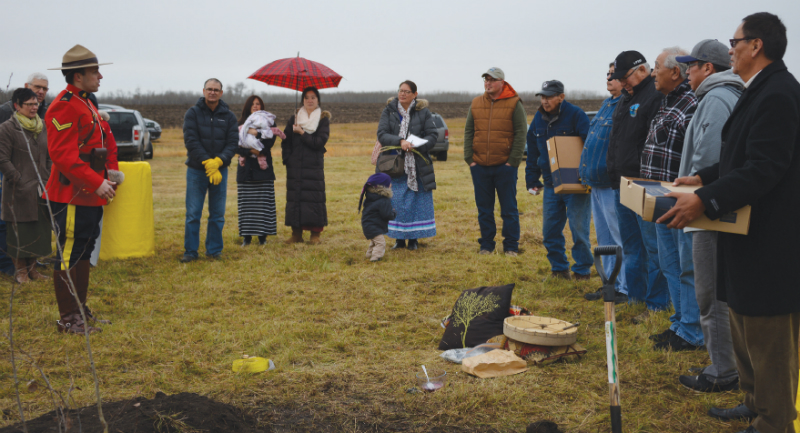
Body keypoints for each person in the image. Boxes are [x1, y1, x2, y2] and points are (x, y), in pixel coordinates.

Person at [661, 13, 800, 433]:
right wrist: (703, 178)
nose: (731, 48)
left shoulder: (778, 93)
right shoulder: (758, 91)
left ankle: (772, 422)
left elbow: (764, 168)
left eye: (734, 41)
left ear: (756, 45)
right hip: (745, 237)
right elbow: (741, 157)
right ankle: (754, 404)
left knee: (768, 338)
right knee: (743, 325)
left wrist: (704, 199)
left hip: (770, 241)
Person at [674, 39, 743, 392]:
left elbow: (708, 159)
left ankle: (722, 371)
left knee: (710, 292)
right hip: (719, 208)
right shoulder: (726, 96)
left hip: (709, 212)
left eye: (692, 66)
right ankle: (728, 362)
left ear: (709, 69)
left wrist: (694, 200)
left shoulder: (715, 100)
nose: (687, 73)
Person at [44, 44, 117, 334]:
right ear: (77, 76)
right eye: (94, 71)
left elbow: (99, 143)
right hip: (72, 192)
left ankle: (79, 309)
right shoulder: (64, 105)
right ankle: (67, 317)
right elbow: (63, 156)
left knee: (84, 248)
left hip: (88, 192)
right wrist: (95, 182)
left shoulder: (86, 102)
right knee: (70, 251)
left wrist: (108, 175)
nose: (100, 76)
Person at [641, 47, 701, 351]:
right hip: (659, 198)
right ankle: (679, 323)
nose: (653, 74)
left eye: (656, 68)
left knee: (683, 266)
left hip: (678, 201)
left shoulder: (691, 104)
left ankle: (691, 330)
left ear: (674, 71)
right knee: (669, 265)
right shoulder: (667, 102)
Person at [606, 51, 669, 317]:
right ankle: (636, 299)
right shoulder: (626, 98)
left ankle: (656, 304)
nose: (622, 82)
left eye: (625, 77)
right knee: (631, 247)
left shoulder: (654, 97)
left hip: (646, 185)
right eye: (618, 78)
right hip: (623, 184)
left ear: (642, 70)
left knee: (653, 248)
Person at [526, 80, 591, 280]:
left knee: (579, 230)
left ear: (561, 97)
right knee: (550, 231)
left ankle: (582, 270)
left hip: (575, 184)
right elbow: (533, 150)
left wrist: (586, 174)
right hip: (550, 184)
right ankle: (559, 269)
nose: (545, 101)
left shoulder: (576, 115)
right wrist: (531, 178)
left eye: (549, 97)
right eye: (542, 97)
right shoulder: (538, 118)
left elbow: (588, 145)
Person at [463, 67, 527, 256]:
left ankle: (511, 246)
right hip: (480, 166)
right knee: (484, 209)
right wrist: (470, 159)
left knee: (509, 209)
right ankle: (487, 245)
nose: (488, 83)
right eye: (486, 80)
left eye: (492, 80)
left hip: (504, 166)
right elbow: (469, 131)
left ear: (502, 82)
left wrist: (512, 162)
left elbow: (521, 133)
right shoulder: (476, 103)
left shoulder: (515, 103)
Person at [581, 63, 627, 303]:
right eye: (607, 74)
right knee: (605, 239)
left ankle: (626, 288)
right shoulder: (606, 104)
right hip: (596, 183)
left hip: (612, 184)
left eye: (614, 75)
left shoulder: (626, 105)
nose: (609, 79)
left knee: (620, 236)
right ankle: (610, 283)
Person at [181, 78, 238, 262]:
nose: (212, 92)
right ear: (203, 91)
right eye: (209, 89)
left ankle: (214, 250)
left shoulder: (229, 116)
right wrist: (207, 162)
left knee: (217, 214)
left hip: (220, 172)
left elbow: (232, 143)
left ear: (221, 93)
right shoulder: (193, 113)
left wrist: (219, 161)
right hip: (197, 171)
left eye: (216, 89)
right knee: (193, 213)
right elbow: (191, 141)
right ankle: (190, 251)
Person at [377, 80, 438, 250]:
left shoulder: (423, 112)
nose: (402, 94)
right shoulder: (389, 111)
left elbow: (433, 135)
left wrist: (417, 145)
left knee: (416, 203)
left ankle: (413, 239)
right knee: (396, 202)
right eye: (400, 90)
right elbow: (382, 134)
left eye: (407, 91)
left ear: (415, 95)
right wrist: (400, 141)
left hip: (417, 165)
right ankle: (399, 239)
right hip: (394, 165)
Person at [0, 88, 52, 283]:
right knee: (19, 232)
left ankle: (33, 269)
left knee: (38, 230)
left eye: (35, 104)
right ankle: (21, 272)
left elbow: (49, 156)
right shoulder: (7, 128)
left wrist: (46, 178)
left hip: (41, 189)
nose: (34, 107)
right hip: (17, 191)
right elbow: (2, 159)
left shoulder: (43, 127)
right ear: (17, 106)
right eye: (29, 104)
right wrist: (18, 179)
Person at [281, 86, 330, 244]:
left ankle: (315, 235)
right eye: (307, 97)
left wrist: (302, 133)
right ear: (302, 100)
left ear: (318, 100)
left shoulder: (322, 119)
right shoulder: (294, 118)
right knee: (295, 198)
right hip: (295, 166)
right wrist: (287, 158)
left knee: (313, 198)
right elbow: (285, 140)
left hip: (313, 166)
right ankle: (296, 234)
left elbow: (319, 142)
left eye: (313, 97)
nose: (310, 100)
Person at [235, 95, 285, 246]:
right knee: (247, 206)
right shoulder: (240, 124)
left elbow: (269, 143)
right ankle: (247, 238)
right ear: (248, 107)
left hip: (263, 171)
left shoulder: (269, 123)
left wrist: (255, 138)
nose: (256, 106)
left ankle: (262, 237)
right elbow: (234, 145)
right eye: (253, 104)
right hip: (245, 171)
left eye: (258, 104)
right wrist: (251, 151)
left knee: (263, 206)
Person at [358, 173, 396, 262]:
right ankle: (375, 258)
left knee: (374, 241)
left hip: (368, 224)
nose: (391, 184)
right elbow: (387, 214)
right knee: (381, 242)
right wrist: (393, 212)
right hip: (374, 226)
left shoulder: (371, 196)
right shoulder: (383, 200)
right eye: (389, 183)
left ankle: (369, 254)